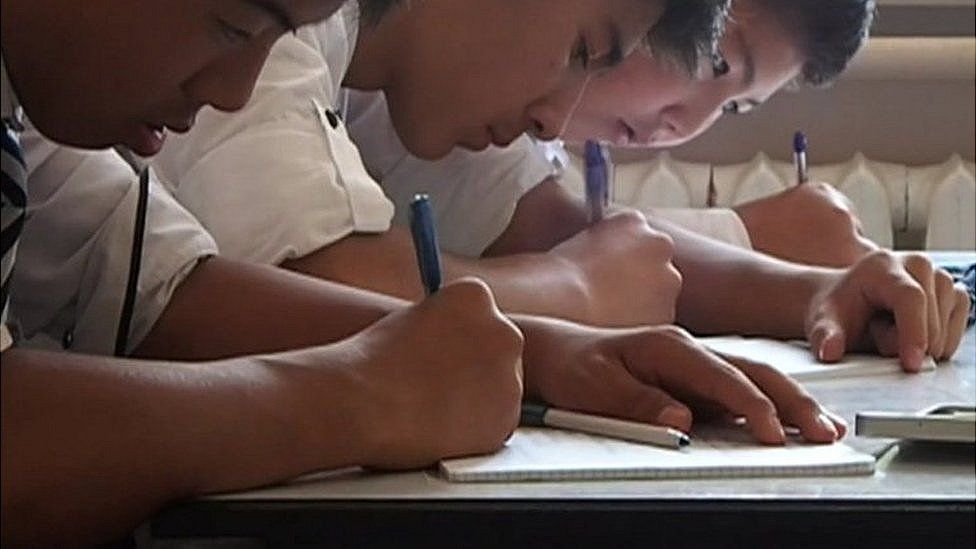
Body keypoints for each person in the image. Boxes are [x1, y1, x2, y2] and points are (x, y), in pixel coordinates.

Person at [4, 1, 847, 545]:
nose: (234, 91)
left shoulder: (36, 129)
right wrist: (354, 396)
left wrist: (540, 352)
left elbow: (158, 287)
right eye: (233, 24)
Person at [151, 0, 968, 370]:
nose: (559, 114)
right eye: (590, 47)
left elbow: (546, 227)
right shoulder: (293, 24)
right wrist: (569, 292)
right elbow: (303, 282)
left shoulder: (411, 74)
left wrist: (814, 293)